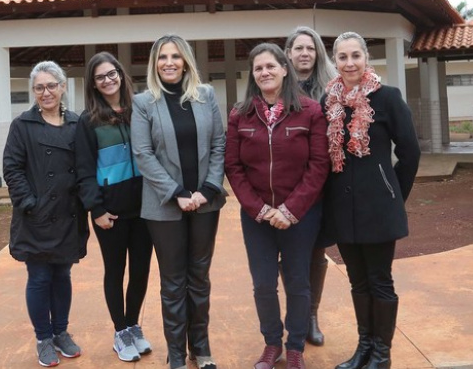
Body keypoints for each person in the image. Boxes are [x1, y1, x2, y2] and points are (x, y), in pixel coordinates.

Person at [225, 43, 330, 369]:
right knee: (263, 284)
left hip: (300, 215)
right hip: (257, 216)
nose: (265, 72)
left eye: (271, 66)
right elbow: (233, 167)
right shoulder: (239, 115)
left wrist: (290, 210)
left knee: (298, 282)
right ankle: (272, 343)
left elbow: (319, 165)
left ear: (285, 69)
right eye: (258, 68)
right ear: (252, 75)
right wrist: (259, 209)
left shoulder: (310, 111)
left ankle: (295, 347)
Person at [322, 32, 420, 369]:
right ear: (335, 61)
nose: (349, 63)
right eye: (343, 57)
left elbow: (410, 152)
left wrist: (393, 194)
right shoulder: (328, 102)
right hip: (343, 208)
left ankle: (382, 354)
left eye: (355, 56)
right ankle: (364, 347)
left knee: (380, 280)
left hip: (378, 208)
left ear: (366, 58)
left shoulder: (387, 98)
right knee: (357, 281)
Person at [131, 35, 227, 369]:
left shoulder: (206, 95)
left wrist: (209, 188)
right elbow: (143, 154)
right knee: (173, 283)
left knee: (199, 279)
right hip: (164, 206)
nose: (169, 63)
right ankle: (176, 355)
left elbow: (218, 144)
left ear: (186, 61)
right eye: (162, 57)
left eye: (175, 56)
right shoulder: (144, 102)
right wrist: (177, 193)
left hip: (205, 203)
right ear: (154, 64)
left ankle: (201, 349)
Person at [3, 61, 88, 368]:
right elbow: (12, 168)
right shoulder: (22, 125)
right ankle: (43, 338)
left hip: (68, 215)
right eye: (39, 87)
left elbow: (86, 166)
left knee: (62, 276)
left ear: (62, 87)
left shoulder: (77, 123)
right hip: (36, 218)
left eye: (51, 85)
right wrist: (29, 203)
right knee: (39, 278)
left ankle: (61, 332)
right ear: (33, 91)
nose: (46, 92)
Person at [75, 52, 154, 363]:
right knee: (115, 271)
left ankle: (133, 325)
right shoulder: (88, 120)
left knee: (141, 270)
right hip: (111, 212)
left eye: (112, 74)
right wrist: (96, 209)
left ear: (121, 74)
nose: (108, 80)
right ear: (93, 84)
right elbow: (84, 170)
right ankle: (120, 332)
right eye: (100, 77)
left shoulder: (140, 110)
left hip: (145, 207)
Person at [285, 26, 339, 347]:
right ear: (288, 54)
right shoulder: (278, 87)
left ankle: (311, 315)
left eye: (310, 48)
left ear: (318, 52)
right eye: (298, 48)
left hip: (322, 182)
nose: (305, 53)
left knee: (317, 249)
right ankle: (297, 313)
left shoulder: (332, 89)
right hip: (286, 182)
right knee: (289, 251)